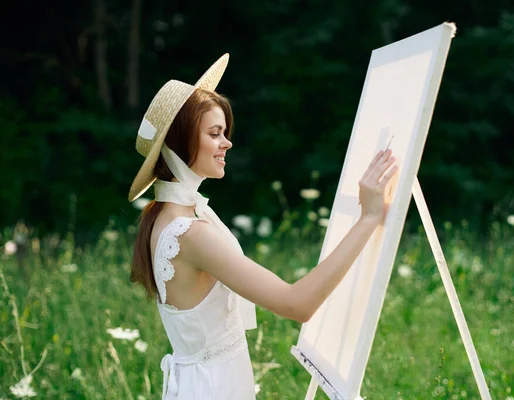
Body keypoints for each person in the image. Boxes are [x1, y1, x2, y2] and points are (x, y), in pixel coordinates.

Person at [128, 54, 398, 400]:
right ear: (180, 143)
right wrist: (368, 218)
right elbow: (297, 303)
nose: (227, 143)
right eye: (214, 133)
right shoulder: (190, 233)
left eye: (225, 132)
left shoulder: (162, 217)